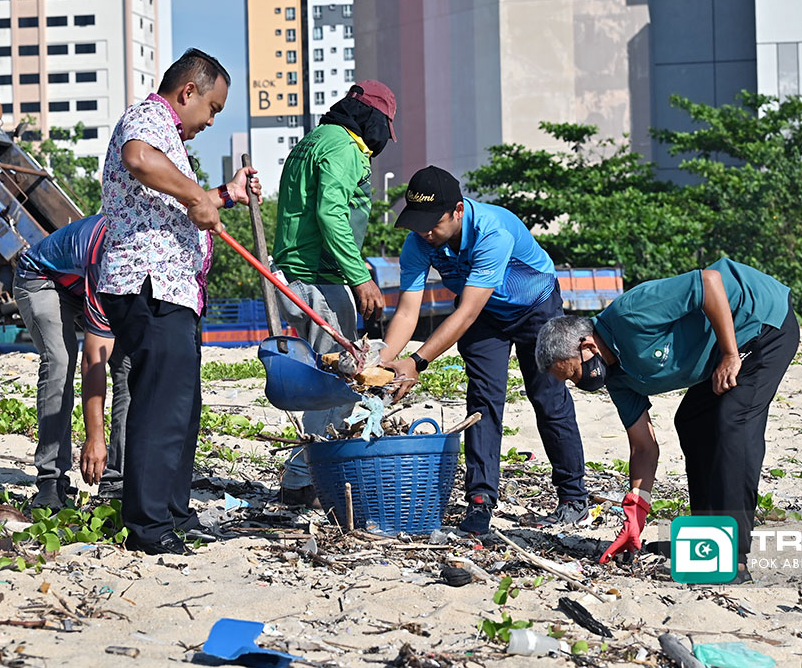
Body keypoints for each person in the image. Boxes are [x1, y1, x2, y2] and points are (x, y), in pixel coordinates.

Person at [534, 257, 799, 583]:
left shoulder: (630, 314)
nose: (580, 383)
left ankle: (734, 559)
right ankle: (707, 539)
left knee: (734, 420)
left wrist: (731, 354)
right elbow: (644, 447)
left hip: (760, 322)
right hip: (722, 350)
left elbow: (709, 282)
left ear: (586, 345)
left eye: (574, 373)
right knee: (692, 419)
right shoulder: (617, 380)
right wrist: (635, 515)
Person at [97, 48, 261, 555]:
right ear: (188, 92)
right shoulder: (148, 118)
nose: (212, 120)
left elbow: (173, 199)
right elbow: (138, 159)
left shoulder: (171, 136)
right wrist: (196, 196)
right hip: (147, 285)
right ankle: (147, 527)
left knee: (181, 408)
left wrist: (224, 194)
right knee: (159, 406)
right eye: (212, 108)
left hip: (174, 289)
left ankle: (173, 512)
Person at [378, 166, 588, 535]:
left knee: (548, 398)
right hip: (485, 317)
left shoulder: (493, 230)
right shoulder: (417, 242)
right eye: (417, 224)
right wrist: (379, 364)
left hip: (534, 308)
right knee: (483, 402)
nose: (425, 233)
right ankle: (479, 500)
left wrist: (416, 362)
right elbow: (408, 310)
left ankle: (573, 497)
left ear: (458, 211)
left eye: (432, 223)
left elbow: (465, 311)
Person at [271, 81, 396, 507]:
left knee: (334, 375)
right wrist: (361, 277)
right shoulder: (343, 147)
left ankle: (305, 476)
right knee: (345, 376)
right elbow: (330, 212)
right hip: (313, 279)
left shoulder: (314, 140)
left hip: (306, 274)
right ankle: (306, 477)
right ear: (372, 120)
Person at [13, 214, 130, 510]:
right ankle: (51, 479)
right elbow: (94, 361)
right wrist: (94, 439)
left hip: (82, 283)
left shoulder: (145, 258)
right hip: (42, 279)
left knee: (128, 367)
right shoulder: (109, 257)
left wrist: (228, 193)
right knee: (60, 361)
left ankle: (117, 480)